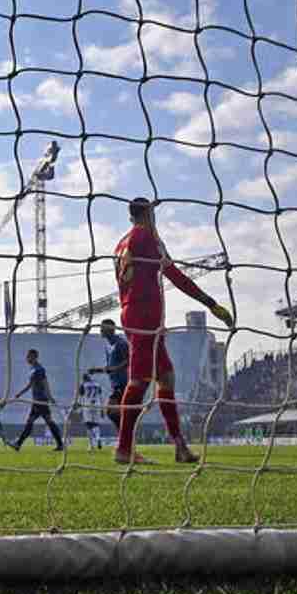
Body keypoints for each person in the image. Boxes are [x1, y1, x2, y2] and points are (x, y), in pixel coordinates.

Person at [112, 198, 233, 465]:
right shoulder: (146, 237)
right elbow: (174, 275)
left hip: (136, 313)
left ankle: (180, 447)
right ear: (149, 214)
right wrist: (210, 303)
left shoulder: (121, 243)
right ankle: (123, 449)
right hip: (143, 315)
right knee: (139, 381)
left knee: (166, 377)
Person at [9, 349, 65, 452]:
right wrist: (20, 393)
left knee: (34, 422)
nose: (27, 358)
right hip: (36, 401)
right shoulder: (33, 369)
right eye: (27, 356)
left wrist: (50, 397)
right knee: (48, 421)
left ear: (34, 357)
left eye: (29, 356)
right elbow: (30, 385)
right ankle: (61, 444)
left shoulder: (40, 369)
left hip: (41, 400)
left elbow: (45, 383)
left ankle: (18, 444)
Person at [88, 319, 129, 430]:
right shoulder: (108, 346)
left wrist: (115, 369)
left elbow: (129, 361)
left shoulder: (121, 344)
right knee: (118, 413)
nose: (101, 329)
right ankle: (125, 439)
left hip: (124, 383)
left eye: (103, 327)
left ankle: (125, 438)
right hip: (115, 384)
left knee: (111, 412)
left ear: (111, 329)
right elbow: (109, 368)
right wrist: (97, 370)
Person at [79, 373, 103, 452]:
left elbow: (80, 396)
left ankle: (91, 445)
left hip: (87, 405)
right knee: (96, 424)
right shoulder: (97, 385)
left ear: (84, 379)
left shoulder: (83, 385)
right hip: (97, 405)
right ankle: (98, 438)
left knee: (88, 425)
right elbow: (100, 396)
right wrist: (102, 408)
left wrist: (79, 406)